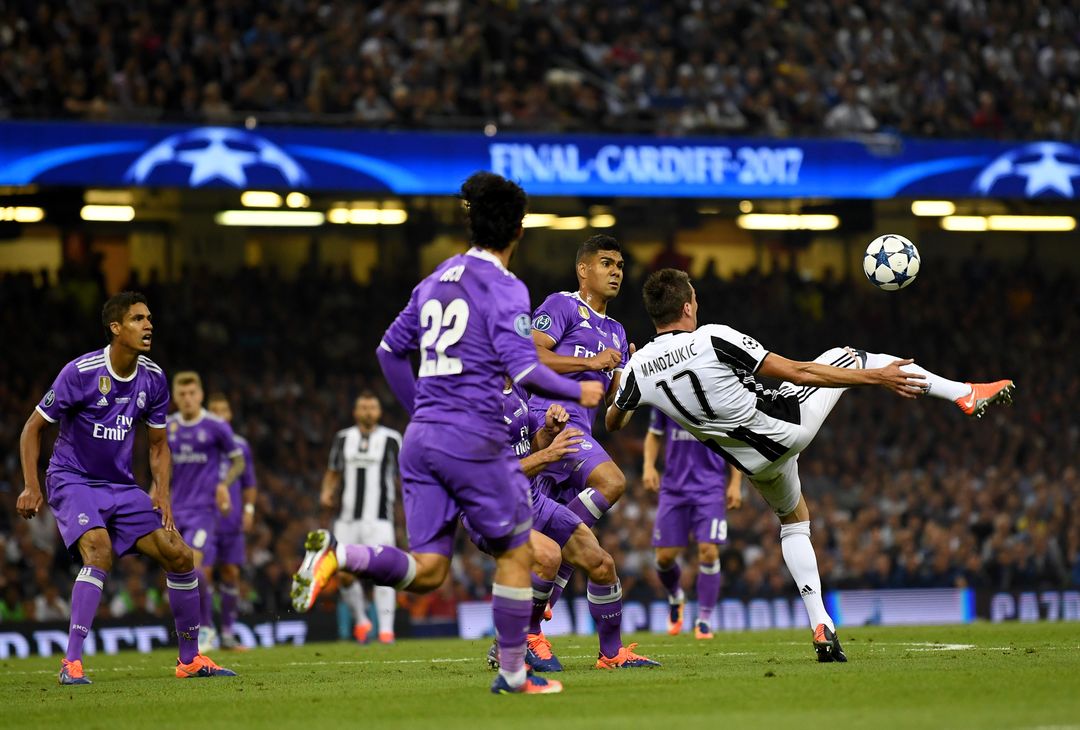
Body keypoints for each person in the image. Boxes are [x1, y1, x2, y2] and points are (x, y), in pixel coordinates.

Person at [292, 171, 604, 695]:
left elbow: (389, 352)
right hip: (471, 438)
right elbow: (525, 370)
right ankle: (511, 675)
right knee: (517, 554)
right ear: (518, 231)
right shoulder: (507, 288)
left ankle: (339, 556)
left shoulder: (435, 278)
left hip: (421, 440)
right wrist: (581, 391)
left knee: (430, 569)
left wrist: (422, 410)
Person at [606, 269, 1015, 662]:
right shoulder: (712, 338)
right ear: (688, 307)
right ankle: (964, 393)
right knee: (850, 355)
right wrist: (877, 377)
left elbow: (614, 420)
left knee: (794, 521)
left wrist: (624, 375)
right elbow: (800, 371)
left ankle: (821, 623)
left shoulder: (639, 370)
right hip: (786, 426)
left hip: (754, 464)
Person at [16, 291, 236, 684]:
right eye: (137, 319)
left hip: (121, 485)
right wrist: (31, 485)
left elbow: (157, 445)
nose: (148, 324)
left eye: (149, 318)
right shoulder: (80, 372)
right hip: (73, 478)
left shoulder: (153, 378)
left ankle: (190, 659)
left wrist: (161, 491)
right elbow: (33, 428)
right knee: (98, 550)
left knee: (180, 555)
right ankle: (71, 663)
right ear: (116, 328)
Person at [482, 382, 659, 671]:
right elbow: (492, 474)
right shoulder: (476, 401)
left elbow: (526, 447)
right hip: (493, 507)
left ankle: (612, 654)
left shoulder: (515, 391)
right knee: (550, 556)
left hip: (531, 499)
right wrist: (550, 455)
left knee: (601, 564)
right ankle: (521, 638)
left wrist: (547, 434)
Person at [528, 234, 631, 611]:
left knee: (593, 554)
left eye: (619, 265)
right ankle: (554, 556)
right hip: (547, 421)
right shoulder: (562, 305)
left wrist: (629, 379)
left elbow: (613, 416)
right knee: (612, 481)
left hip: (581, 431)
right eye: (606, 263)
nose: (616, 272)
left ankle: (531, 626)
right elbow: (531, 355)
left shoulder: (618, 332)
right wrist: (589, 363)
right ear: (583, 270)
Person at [643, 407, 743, 639]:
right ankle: (676, 596)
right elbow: (654, 433)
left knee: (708, 550)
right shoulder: (665, 397)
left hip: (710, 488)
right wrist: (648, 466)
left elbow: (734, 443)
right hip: (673, 489)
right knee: (664, 558)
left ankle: (704, 619)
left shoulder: (718, 399)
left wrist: (736, 483)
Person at [168, 372, 246, 653]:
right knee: (180, 571)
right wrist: (155, 488)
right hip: (174, 512)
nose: (187, 399)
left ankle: (208, 628)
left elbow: (238, 462)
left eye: (192, 394)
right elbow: (159, 464)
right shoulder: (168, 427)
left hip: (204, 511)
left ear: (200, 395)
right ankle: (198, 629)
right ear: (175, 397)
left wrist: (223, 485)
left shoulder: (216, 427)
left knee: (196, 565)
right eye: (182, 394)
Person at [319, 391, 402, 645]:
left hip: (380, 519)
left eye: (372, 407)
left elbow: (405, 474)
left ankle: (386, 631)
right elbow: (333, 471)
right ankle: (362, 620)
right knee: (343, 574)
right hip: (347, 519)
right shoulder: (344, 438)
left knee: (384, 573)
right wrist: (326, 492)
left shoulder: (392, 438)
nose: (367, 411)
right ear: (355, 412)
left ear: (379, 411)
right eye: (363, 407)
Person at [206, 392, 257, 650]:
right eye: (213, 410)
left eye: (223, 410)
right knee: (201, 574)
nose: (219, 415)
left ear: (229, 415)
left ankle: (226, 633)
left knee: (231, 573)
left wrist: (248, 509)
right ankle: (205, 633)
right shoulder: (200, 443)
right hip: (203, 518)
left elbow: (249, 483)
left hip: (231, 521)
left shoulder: (240, 446)